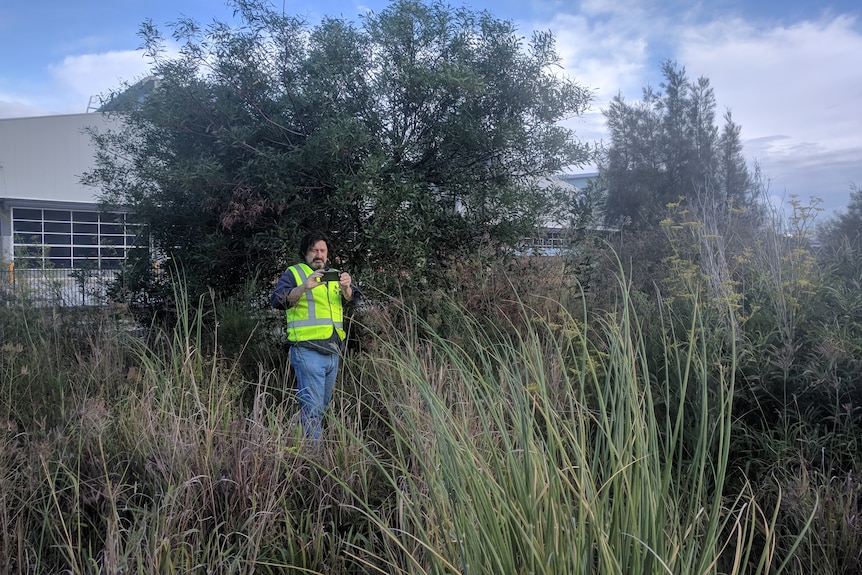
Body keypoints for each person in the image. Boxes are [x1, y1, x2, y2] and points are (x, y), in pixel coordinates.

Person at [270, 230, 359, 439]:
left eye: (322, 250)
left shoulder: (335, 275)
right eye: (314, 250)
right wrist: (304, 287)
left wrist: (347, 288)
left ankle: (313, 452)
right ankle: (313, 461)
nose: (319, 254)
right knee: (312, 409)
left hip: (333, 351)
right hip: (307, 350)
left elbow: (354, 299)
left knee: (321, 407)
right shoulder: (294, 273)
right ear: (305, 252)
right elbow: (277, 300)